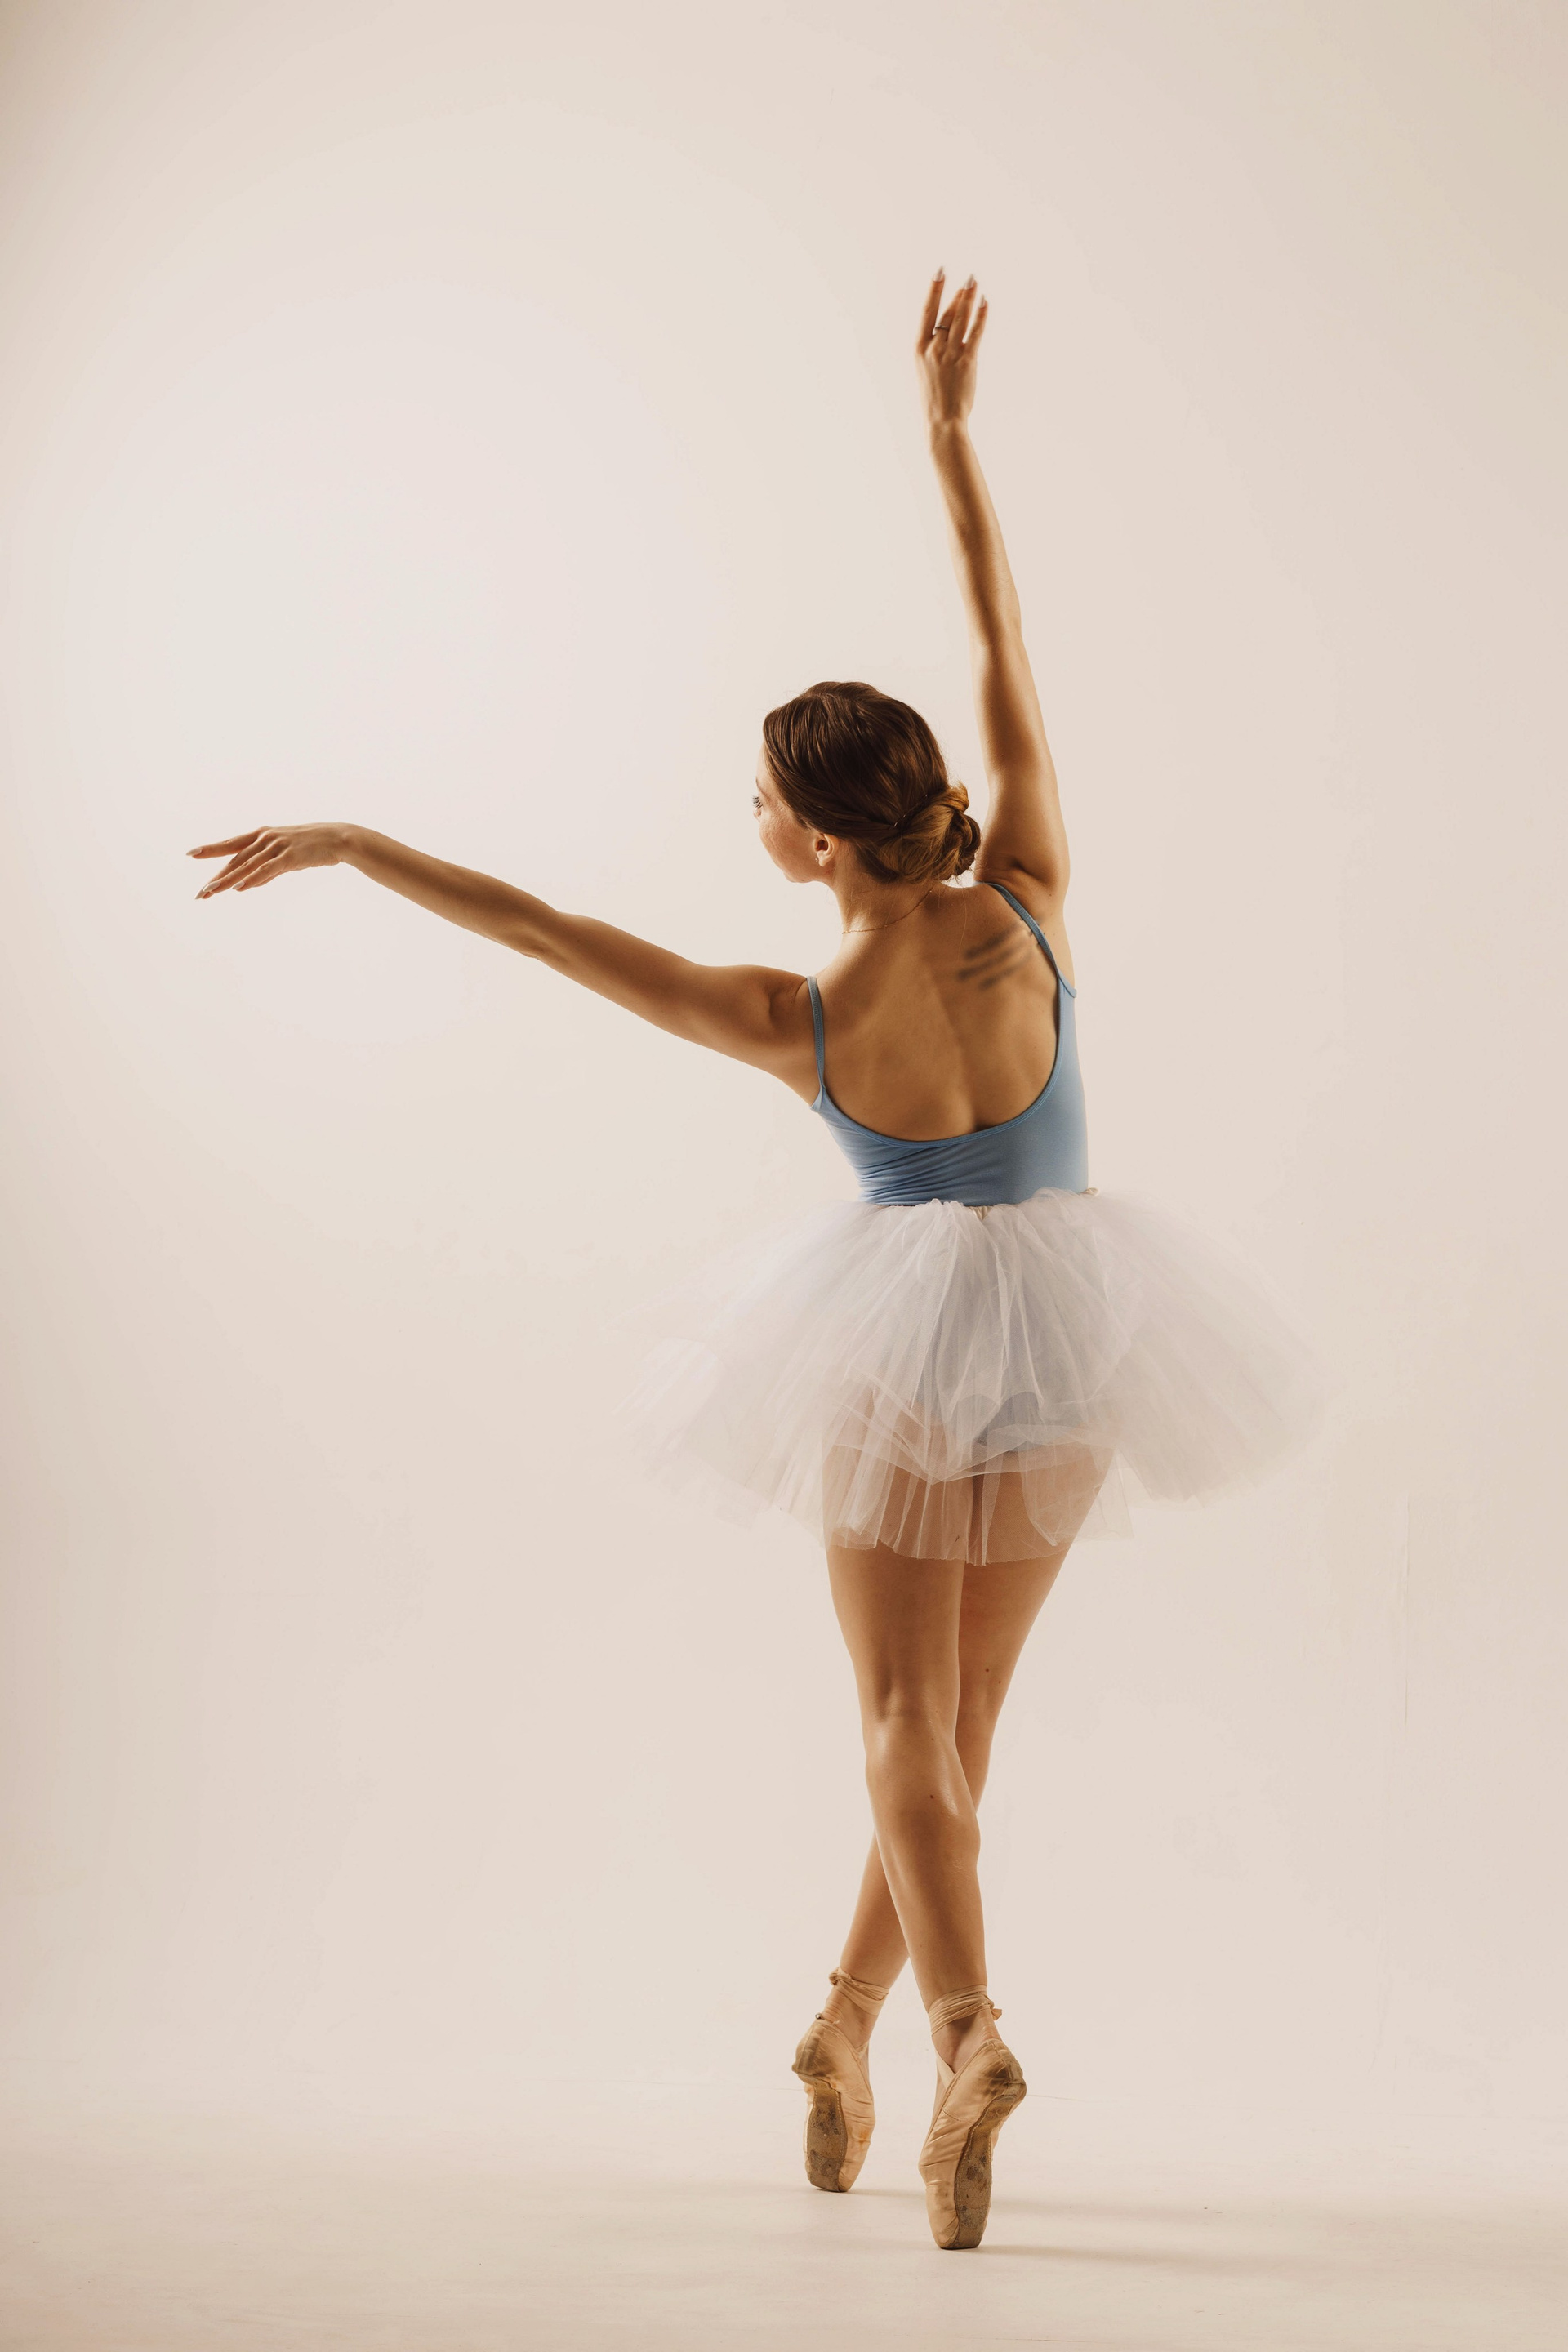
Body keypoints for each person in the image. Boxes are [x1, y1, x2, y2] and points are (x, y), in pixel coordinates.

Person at [190, 270, 1321, 2252]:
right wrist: (950, 439)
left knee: (899, 1727)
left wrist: (360, 841)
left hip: (896, 1351)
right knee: (965, 1734)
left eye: (765, 803)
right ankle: (845, 2027)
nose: (757, 817)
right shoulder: (1033, 895)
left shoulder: (791, 1016)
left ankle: (968, 2037)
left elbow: (543, 930)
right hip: (1077, 1334)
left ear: (812, 839)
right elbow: (1006, 638)